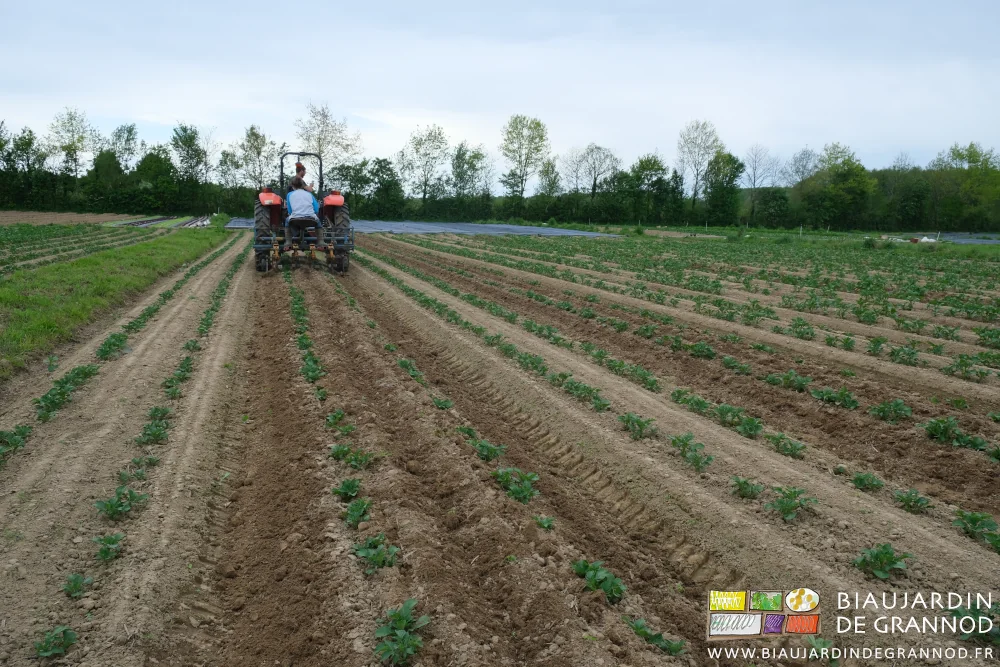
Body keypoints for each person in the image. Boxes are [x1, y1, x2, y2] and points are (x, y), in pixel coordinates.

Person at [284, 176, 320, 251]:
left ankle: (288, 242)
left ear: (292, 186)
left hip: (295, 220)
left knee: (287, 221)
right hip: (311, 219)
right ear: (303, 186)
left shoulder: (289, 194)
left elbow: (289, 211)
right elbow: (316, 209)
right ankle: (321, 241)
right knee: (318, 222)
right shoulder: (310, 194)